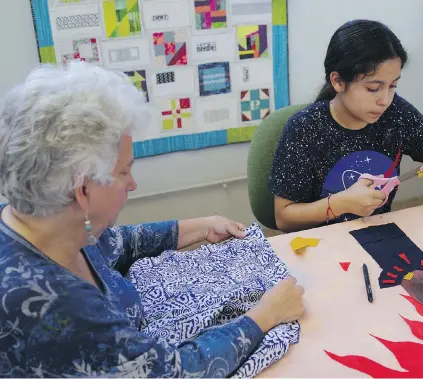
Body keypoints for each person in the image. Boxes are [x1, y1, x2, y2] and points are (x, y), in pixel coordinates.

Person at [0, 62, 304, 377]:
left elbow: (116, 244)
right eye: (123, 171)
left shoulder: (50, 223)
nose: (132, 184)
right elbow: (172, 373)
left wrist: (200, 226)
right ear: (82, 190)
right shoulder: (54, 307)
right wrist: (267, 314)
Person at [269, 20, 423, 232]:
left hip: (377, 237)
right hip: (319, 245)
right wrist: (338, 204)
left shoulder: (397, 114)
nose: (385, 100)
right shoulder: (305, 128)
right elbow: (284, 218)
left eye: (393, 86)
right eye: (373, 88)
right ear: (338, 81)